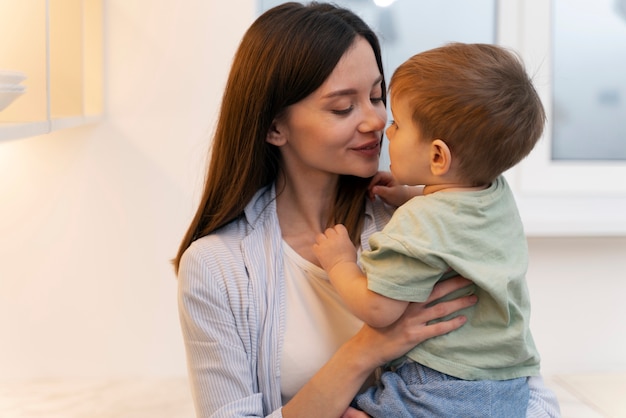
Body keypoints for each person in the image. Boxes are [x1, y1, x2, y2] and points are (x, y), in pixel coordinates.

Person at [174, 2, 561, 417]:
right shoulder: (217, 269)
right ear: (274, 127)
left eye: (378, 97)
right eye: (343, 107)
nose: (377, 121)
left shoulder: (432, 221)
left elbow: (528, 394)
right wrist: (365, 350)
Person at [313, 42, 547, 417]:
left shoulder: (418, 223)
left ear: (438, 156)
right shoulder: (495, 193)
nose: (385, 130)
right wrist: (408, 192)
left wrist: (340, 262)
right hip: (511, 385)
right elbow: (456, 219)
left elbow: (379, 308)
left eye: (398, 124)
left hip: (441, 389)